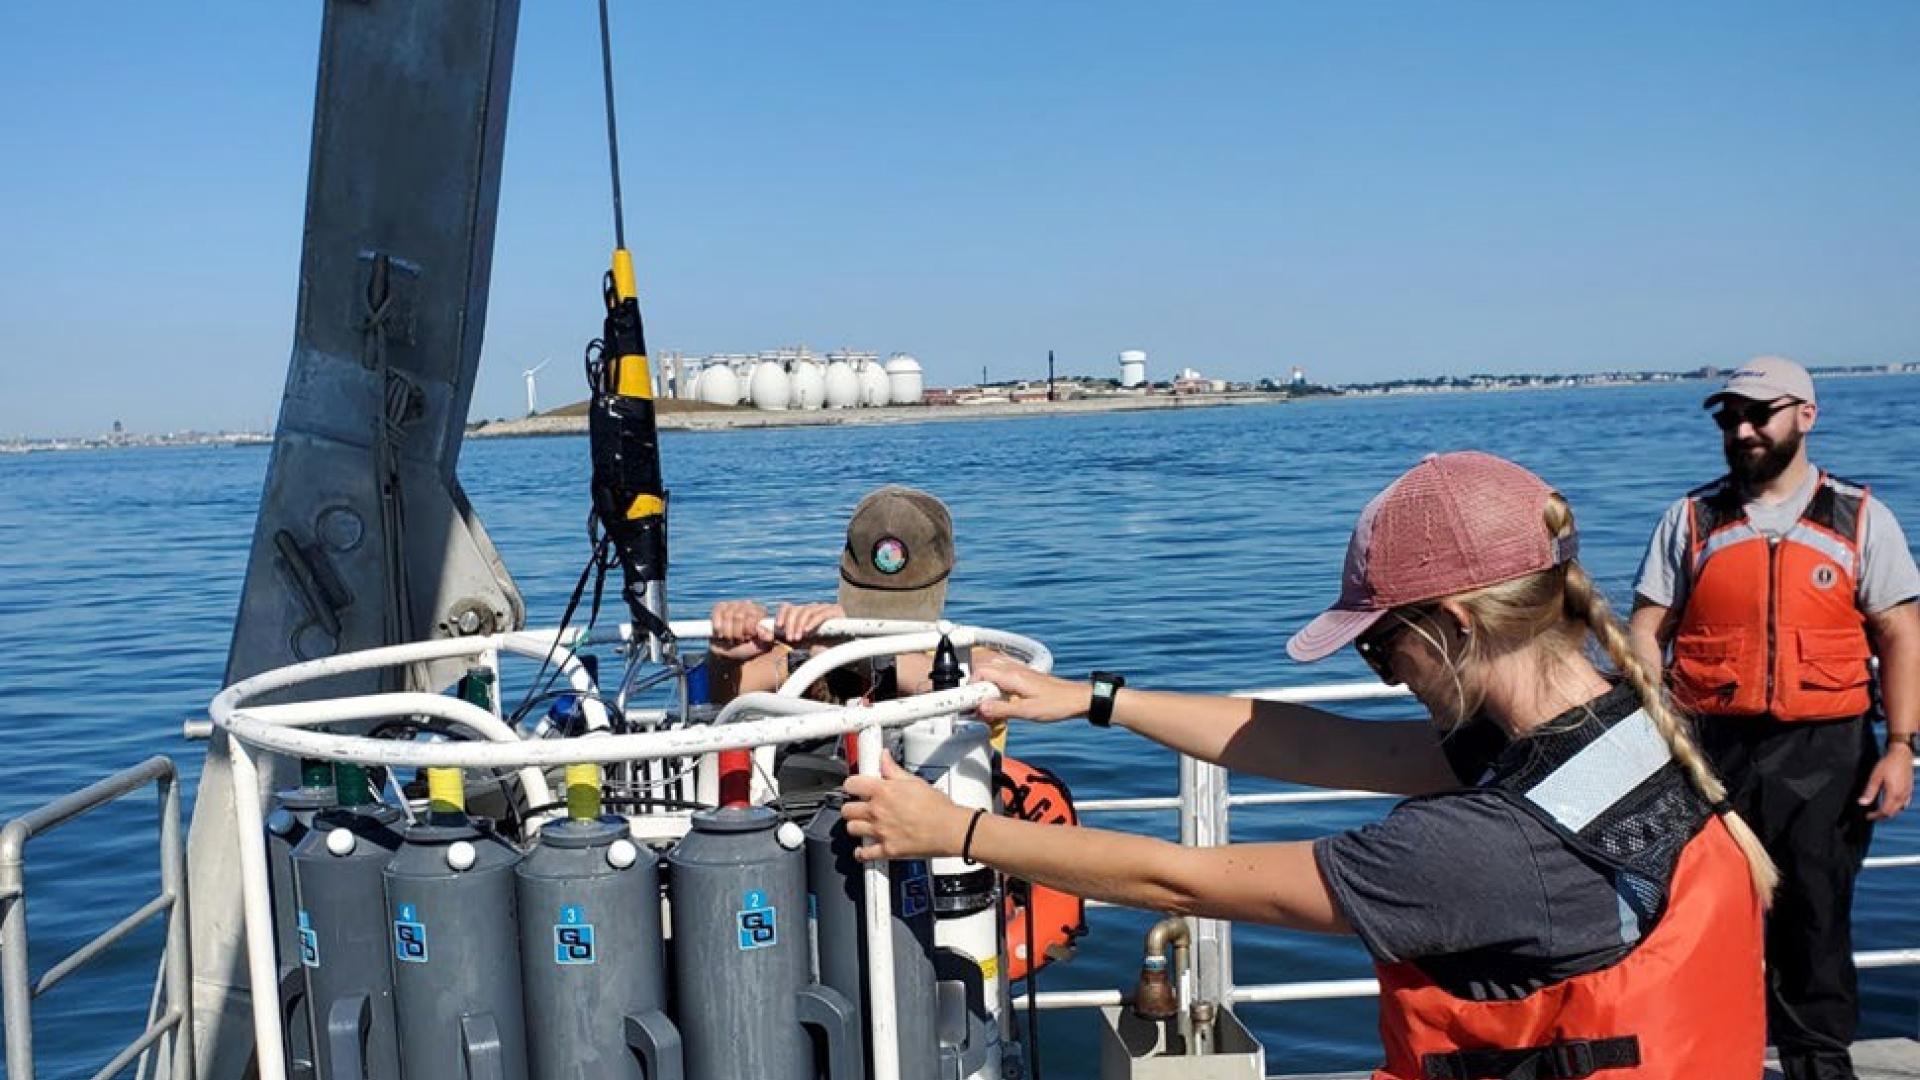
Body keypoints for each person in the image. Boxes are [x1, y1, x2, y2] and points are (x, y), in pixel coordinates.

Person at [844, 451, 1776, 1079]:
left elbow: (1182, 876)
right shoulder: (1620, 738)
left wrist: (954, 830)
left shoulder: (1489, 852)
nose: (1382, 673)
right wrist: (1094, 700)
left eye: (1379, 649)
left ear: (1453, 628)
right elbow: (1335, 744)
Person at [1627, 356, 1920, 1080]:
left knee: (1815, 925)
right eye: (1731, 418)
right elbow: (1644, 627)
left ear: (1806, 416)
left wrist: (1903, 745)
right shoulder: (1691, 519)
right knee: (1698, 922)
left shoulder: (1860, 518)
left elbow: (1902, 634)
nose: (1744, 429)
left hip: (1827, 755)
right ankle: (1700, 1064)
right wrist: (1653, 718)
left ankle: (1816, 1067)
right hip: (1708, 754)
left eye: (1761, 413)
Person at [706, 484, 960, 705]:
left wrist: (851, 652)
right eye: (869, 608)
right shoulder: (815, 651)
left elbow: (976, 683)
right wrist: (724, 657)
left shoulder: (969, 652)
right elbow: (722, 696)